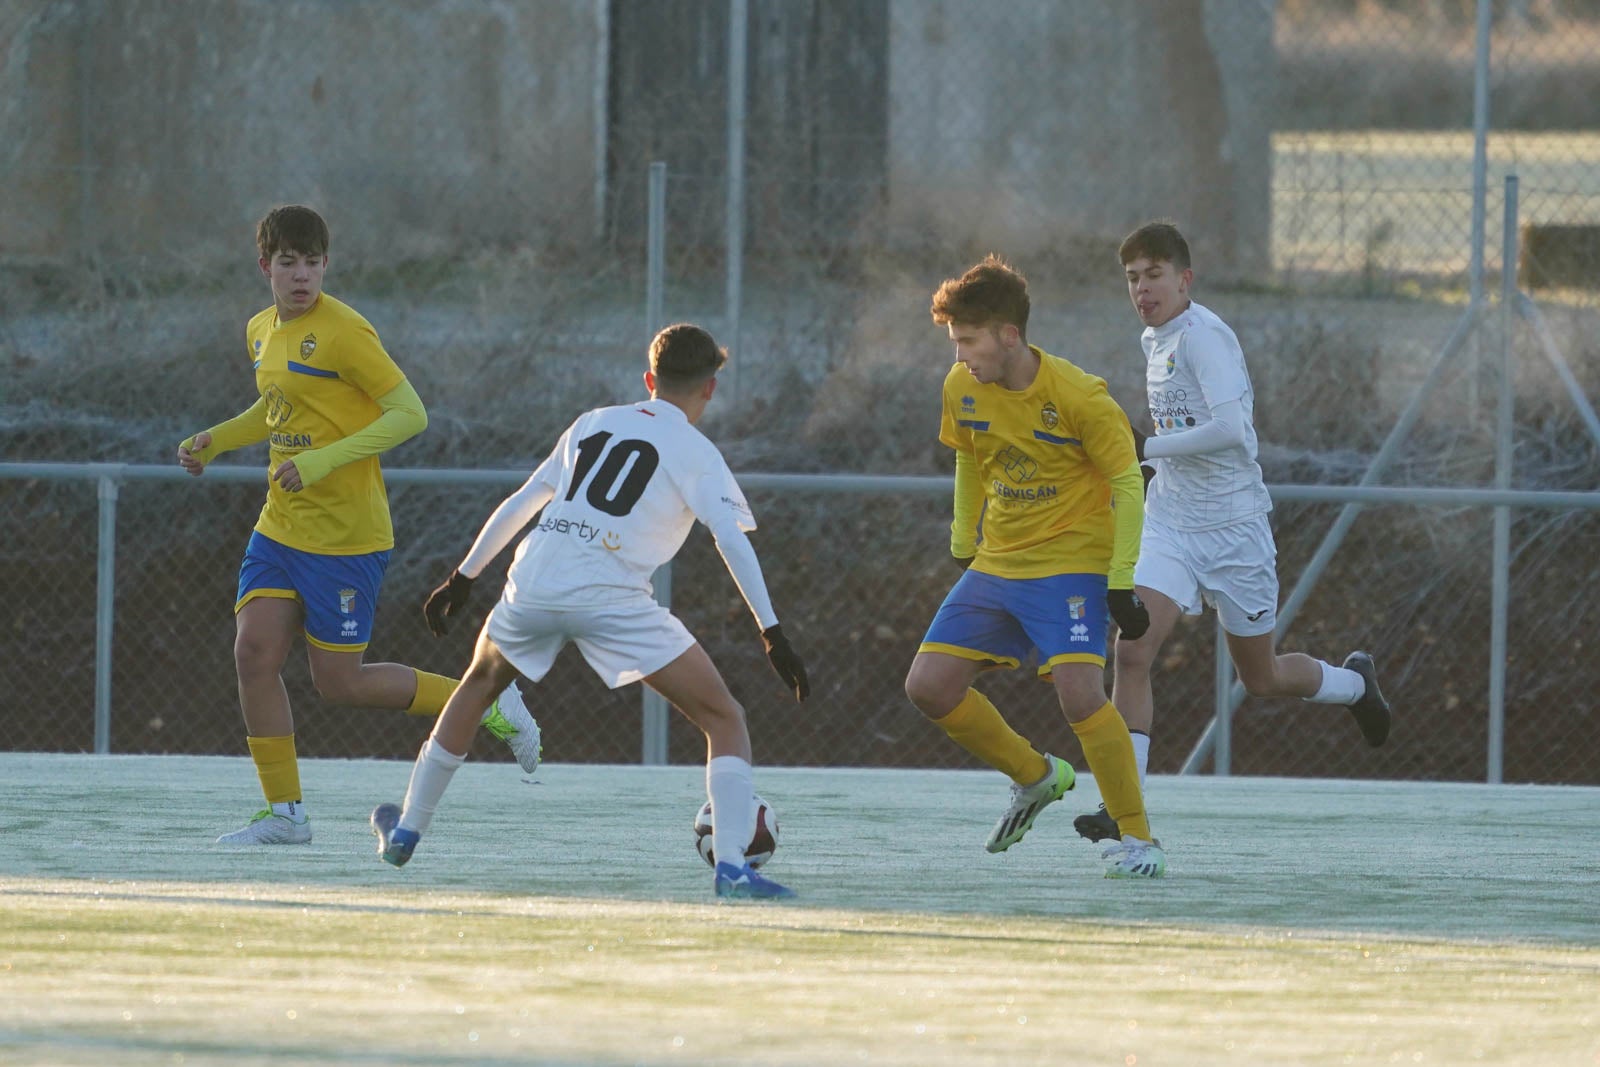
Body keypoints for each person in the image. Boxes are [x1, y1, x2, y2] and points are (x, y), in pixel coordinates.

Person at [369, 322, 809, 900]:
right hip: (612, 599)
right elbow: (730, 538)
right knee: (724, 718)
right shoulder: (699, 452)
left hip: (534, 584)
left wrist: (464, 575)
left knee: (476, 687)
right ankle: (731, 869)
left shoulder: (592, 422)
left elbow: (525, 499)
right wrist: (771, 631)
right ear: (710, 389)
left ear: (649, 379)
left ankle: (405, 831)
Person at [177, 204, 540, 847]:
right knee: (253, 653)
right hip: (280, 527)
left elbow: (410, 413)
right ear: (265, 265)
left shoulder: (345, 332)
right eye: (288, 262)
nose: (301, 276)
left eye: (313, 263)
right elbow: (277, 406)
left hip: (346, 537)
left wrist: (318, 462)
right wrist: (217, 439)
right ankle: (286, 815)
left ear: (325, 266)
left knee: (339, 683)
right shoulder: (261, 329)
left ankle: (482, 700)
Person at [1073, 221, 1392, 843]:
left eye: (1155, 275)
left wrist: (1149, 446)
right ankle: (1123, 804)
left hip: (1234, 531)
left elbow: (1234, 433)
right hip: (1170, 523)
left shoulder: (1204, 338)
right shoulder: (1154, 337)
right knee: (1132, 649)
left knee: (1261, 677)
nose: (1142, 288)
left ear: (1184, 278)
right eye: (1133, 278)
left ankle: (1355, 685)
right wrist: (1149, 460)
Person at [903, 255, 1166, 879]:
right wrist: (963, 539)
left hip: (1072, 565)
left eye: (968, 341)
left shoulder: (1080, 397)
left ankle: (1138, 840)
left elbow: (1130, 483)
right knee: (928, 687)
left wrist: (1122, 578)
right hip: (998, 563)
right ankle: (1036, 776)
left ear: (1009, 336)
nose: (960, 355)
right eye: (954, 342)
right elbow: (970, 456)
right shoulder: (961, 386)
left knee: (1081, 697)